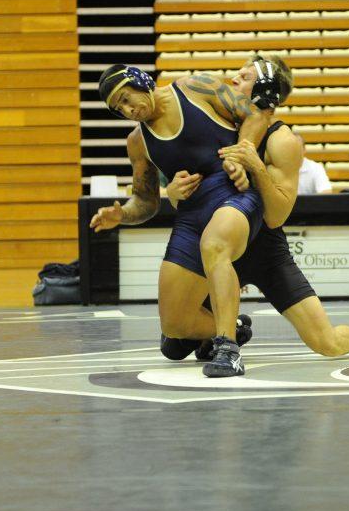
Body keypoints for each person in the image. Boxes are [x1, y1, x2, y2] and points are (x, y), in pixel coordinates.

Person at [162, 58, 349, 364]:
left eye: (244, 77)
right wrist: (172, 192)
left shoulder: (282, 141)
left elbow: (276, 216)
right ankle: (232, 327)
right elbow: (187, 191)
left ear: (264, 91)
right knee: (173, 344)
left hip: (263, 247)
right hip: (216, 243)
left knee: (325, 342)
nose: (233, 80)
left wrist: (256, 166)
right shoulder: (212, 122)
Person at [87, 59, 276, 378]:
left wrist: (242, 153)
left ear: (140, 81)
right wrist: (122, 214)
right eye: (119, 108)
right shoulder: (137, 142)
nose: (128, 110)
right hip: (192, 212)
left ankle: (228, 349)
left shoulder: (195, 87)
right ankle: (234, 326)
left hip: (233, 190)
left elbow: (255, 113)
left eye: (126, 98)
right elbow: (145, 202)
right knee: (173, 326)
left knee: (215, 245)